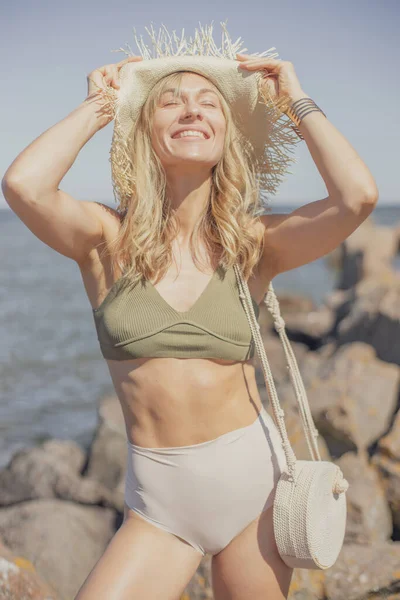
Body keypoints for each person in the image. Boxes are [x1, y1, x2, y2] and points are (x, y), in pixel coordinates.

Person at [2, 23, 378, 600]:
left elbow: (357, 198)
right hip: (160, 505)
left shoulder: (253, 245)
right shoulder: (105, 240)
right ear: (145, 131)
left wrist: (294, 99)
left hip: (256, 490)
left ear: (227, 135)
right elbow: (23, 185)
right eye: (170, 101)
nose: (191, 110)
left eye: (209, 103)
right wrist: (101, 106)